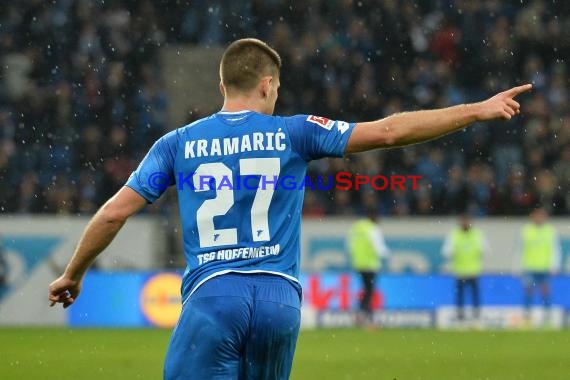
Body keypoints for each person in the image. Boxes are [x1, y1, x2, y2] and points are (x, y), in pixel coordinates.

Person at [48, 38, 531, 379]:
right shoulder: (294, 131)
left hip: (214, 298)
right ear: (266, 84)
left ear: (222, 87)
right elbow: (388, 131)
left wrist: (73, 273)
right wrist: (476, 109)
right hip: (281, 302)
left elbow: (113, 213)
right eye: (276, 89)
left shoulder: (177, 145)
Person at [442, 215, 490, 322]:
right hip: (460, 272)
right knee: (460, 295)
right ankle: (460, 315)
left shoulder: (477, 234)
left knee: (475, 294)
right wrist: (453, 252)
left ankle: (476, 315)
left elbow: (486, 250)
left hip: (474, 271)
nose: (465, 223)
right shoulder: (454, 235)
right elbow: (446, 252)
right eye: (463, 221)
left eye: (467, 221)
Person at [518, 207, 561, 325]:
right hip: (529, 267)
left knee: (545, 292)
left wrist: (554, 265)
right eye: (536, 216)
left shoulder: (550, 231)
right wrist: (518, 266)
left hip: (545, 268)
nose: (539, 219)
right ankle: (527, 318)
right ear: (532, 217)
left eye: (541, 216)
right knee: (528, 292)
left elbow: (555, 249)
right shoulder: (526, 231)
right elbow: (520, 250)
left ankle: (547, 318)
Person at [347, 210, 390, 327]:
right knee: (369, 291)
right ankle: (366, 317)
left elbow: (349, 245)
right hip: (370, 265)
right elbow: (379, 248)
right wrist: (387, 255)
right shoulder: (372, 229)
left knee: (366, 290)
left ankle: (361, 315)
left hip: (358, 264)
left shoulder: (357, 227)